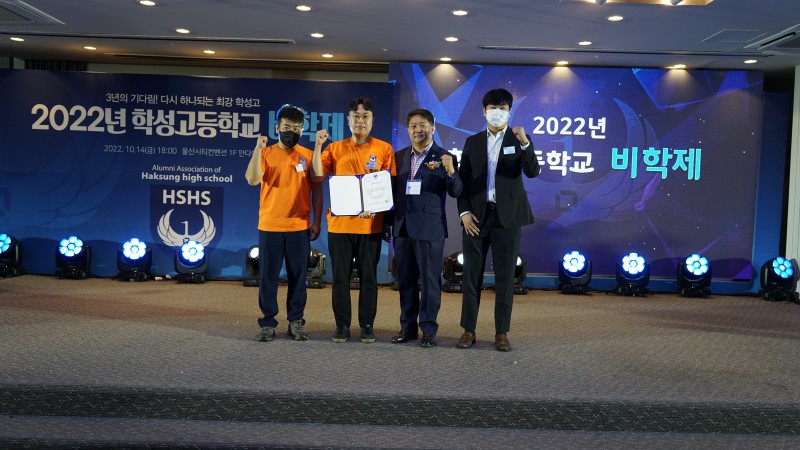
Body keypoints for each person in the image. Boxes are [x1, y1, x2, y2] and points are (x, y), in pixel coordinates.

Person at [456, 88, 540, 352]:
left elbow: (533, 171)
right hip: (476, 218)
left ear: (509, 112)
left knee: (505, 278)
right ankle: (468, 330)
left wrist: (525, 143)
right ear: (484, 111)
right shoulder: (472, 142)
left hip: (508, 218)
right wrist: (464, 212)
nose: (497, 113)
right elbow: (462, 182)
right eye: (493, 108)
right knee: (471, 276)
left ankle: (501, 332)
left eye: (502, 109)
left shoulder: (519, 139)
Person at [311, 97, 396, 343]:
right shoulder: (334, 148)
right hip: (340, 225)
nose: (360, 121)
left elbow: (388, 187)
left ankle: (367, 325)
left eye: (365, 116)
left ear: (372, 120)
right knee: (340, 278)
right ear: (348, 120)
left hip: (370, 226)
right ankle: (342, 325)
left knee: (369, 278)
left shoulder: (384, 149)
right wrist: (318, 146)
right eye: (355, 117)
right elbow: (317, 175)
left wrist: (381, 214)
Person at [245, 104, 322, 342]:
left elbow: (318, 184)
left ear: (302, 130)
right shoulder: (266, 153)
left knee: (298, 277)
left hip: (299, 226)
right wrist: (257, 149)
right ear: (277, 128)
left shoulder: (307, 155)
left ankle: (295, 321)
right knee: (268, 277)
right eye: (287, 127)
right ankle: (268, 322)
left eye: (297, 128)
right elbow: (252, 179)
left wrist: (316, 221)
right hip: (270, 226)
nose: (292, 132)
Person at [390, 108, 462, 348]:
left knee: (430, 282)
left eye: (422, 125)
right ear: (408, 130)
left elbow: (456, 191)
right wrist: (387, 222)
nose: (417, 130)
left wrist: (451, 171)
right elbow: (391, 192)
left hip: (430, 228)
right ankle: (407, 327)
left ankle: (429, 329)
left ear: (432, 128)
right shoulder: (399, 156)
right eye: (413, 126)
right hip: (402, 227)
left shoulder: (445, 157)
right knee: (405, 281)